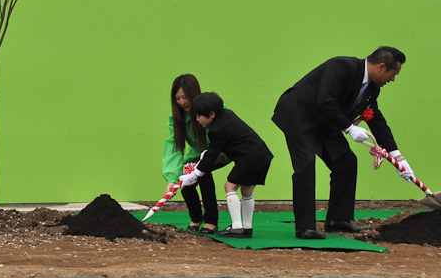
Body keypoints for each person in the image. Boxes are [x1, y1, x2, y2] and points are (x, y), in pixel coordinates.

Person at [272, 47, 410, 240]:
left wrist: (398, 157)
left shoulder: (372, 89)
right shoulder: (341, 66)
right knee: (306, 164)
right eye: (393, 74)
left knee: (346, 161)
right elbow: (326, 101)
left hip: (325, 121)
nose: (393, 80)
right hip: (298, 114)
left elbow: (375, 119)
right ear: (381, 67)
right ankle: (305, 228)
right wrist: (349, 128)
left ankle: (338, 220)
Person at [180, 92, 273, 238]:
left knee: (229, 186)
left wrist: (193, 175)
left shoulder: (217, 130)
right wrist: (207, 156)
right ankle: (247, 228)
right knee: (247, 191)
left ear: (211, 114)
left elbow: (212, 154)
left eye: (199, 116)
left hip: (250, 158)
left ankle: (237, 227)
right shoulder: (227, 115)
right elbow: (216, 151)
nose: (197, 120)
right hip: (262, 155)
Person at [161, 74, 220, 234]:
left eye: (185, 97)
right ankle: (196, 218)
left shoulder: (211, 108)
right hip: (200, 153)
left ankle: (211, 221)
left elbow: (227, 133)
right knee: (185, 175)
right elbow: (174, 147)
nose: (182, 102)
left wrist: (207, 161)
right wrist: (173, 178)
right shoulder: (176, 118)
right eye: (178, 98)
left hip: (223, 149)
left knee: (203, 173)